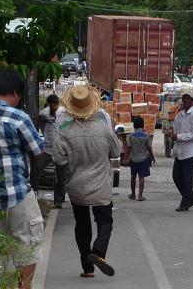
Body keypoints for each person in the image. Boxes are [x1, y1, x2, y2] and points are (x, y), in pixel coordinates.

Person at [0, 69, 44, 289]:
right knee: (27, 246)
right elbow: (38, 150)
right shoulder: (17, 117)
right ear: (15, 92)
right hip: (17, 195)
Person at [54, 85, 122, 278]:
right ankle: (98, 251)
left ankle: (87, 267)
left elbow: (59, 160)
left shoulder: (65, 131)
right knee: (105, 222)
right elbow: (116, 152)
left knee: (82, 226)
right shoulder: (103, 128)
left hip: (77, 187)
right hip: (101, 187)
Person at [170, 88, 193, 211]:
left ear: (192, 101)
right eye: (184, 98)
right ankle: (191, 198)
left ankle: (186, 202)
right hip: (180, 151)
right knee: (176, 177)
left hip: (190, 152)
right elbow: (175, 129)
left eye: (188, 98)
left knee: (187, 179)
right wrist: (173, 135)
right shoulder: (179, 115)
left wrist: (178, 136)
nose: (185, 101)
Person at [34, 94, 68, 208]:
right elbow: (41, 119)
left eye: (56, 103)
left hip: (60, 150)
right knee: (36, 169)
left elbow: (68, 124)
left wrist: (61, 127)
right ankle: (34, 194)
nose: (55, 106)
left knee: (61, 177)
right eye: (52, 104)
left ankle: (58, 201)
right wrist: (46, 116)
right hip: (47, 149)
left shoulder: (62, 113)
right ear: (49, 104)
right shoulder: (44, 113)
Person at [125, 116, 154, 201]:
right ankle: (140, 195)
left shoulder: (130, 136)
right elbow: (149, 148)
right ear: (143, 125)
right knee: (141, 177)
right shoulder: (146, 135)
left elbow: (128, 148)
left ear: (134, 126)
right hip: (143, 159)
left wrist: (126, 159)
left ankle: (133, 194)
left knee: (133, 177)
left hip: (133, 159)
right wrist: (152, 157)